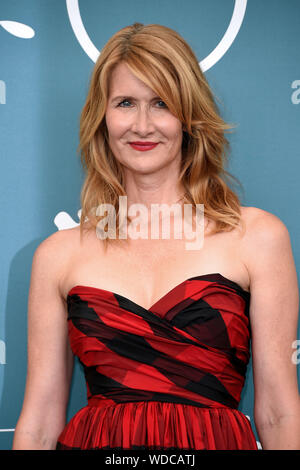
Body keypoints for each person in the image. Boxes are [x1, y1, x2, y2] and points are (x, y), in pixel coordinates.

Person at [12, 22, 299, 450]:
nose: (142, 124)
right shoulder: (58, 256)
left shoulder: (256, 237)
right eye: (125, 103)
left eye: (161, 103)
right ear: (102, 117)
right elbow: (37, 424)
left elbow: (277, 410)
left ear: (188, 117)